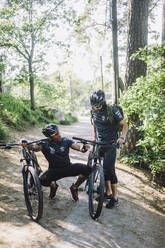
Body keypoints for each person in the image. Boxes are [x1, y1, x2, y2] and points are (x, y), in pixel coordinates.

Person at [20, 123, 91, 201]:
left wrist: (84, 148)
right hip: (54, 170)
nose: (59, 135)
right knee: (42, 181)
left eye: (58, 132)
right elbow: (35, 148)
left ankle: (74, 188)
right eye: (56, 134)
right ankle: (53, 186)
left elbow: (79, 148)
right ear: (50, 137)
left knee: (87, 169)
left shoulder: (65, 140)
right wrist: (26, 145)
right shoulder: (44, 143)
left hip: (68, 167)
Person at [90, 90, 128, 209]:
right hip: (100, 144)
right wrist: (95, 138)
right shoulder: (93, 111)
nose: (96, 108)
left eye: (98, 106)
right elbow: (95, 125)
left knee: (109, 169)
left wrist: (122, 137)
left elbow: (125, 124)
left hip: (111, 144)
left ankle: (115, 198)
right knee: (103, 169)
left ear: (103, 102)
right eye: (94, 106)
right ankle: (107, 193)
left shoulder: (112, 110)